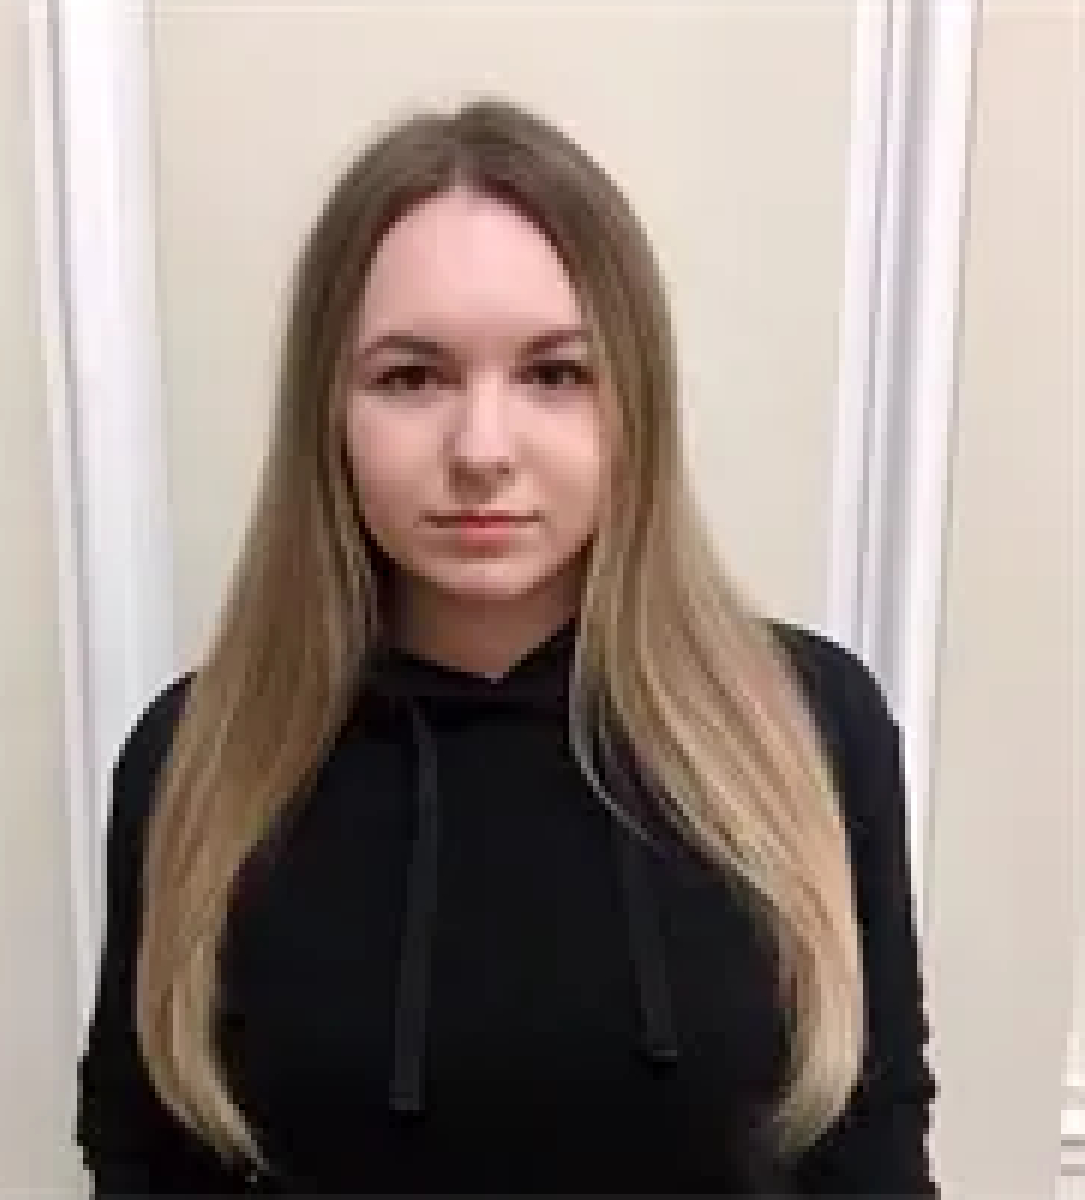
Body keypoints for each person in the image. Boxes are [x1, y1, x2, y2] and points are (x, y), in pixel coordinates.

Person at [75, 98, 938, 1195]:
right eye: (412, 377)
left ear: (636, 403)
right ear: (328, 414)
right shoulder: (200, 757)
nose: (482, 450)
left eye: (554, 374)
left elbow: (873, 1151)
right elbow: (146, 1158)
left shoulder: (806, 723)